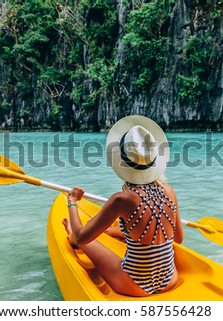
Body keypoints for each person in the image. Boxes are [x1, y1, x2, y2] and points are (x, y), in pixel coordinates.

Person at [63, 115, 184, 297]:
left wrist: (72, 201)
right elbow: (178, 238)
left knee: (84, 241)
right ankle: (113, 232)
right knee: (129, 234)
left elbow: (83, 238)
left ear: (122, 159)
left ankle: (70, 232)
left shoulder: (121, 200)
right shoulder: (169, 191)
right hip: (170, 279)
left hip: (136, 285)